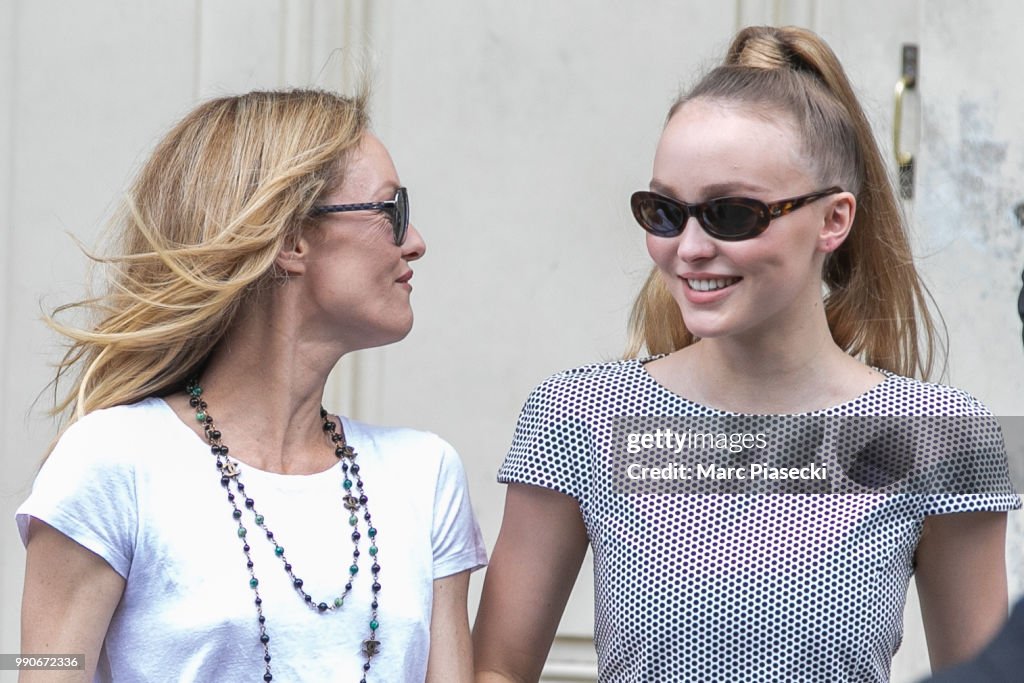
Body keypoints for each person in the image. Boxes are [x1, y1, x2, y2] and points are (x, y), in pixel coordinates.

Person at [474, 25, 1019, 683]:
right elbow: (495, 672)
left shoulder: (941, 437)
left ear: (833, 219)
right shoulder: (581, 416)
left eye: (732, 214)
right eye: (666, 212)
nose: (691, 247)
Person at [17, 87, 487, 682]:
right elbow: (38, 665)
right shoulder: (112, 460)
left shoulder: (425, 474)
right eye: (389, 210)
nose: (414, 240)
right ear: (290, 241)